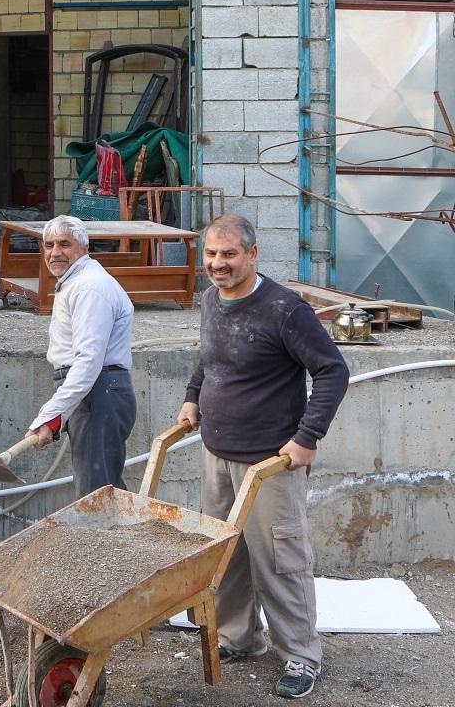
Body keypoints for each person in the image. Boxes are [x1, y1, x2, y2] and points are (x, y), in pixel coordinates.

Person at [177, 214, 348, 700]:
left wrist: (308, 435)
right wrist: (193, 396)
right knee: (224, 556)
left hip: (271, 462)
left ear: (252, 254)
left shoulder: (285, 310)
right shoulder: (211, 299)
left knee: (280, 558)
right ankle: (238, 637)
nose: (218, 264)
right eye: (211, 254)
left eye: (229, 254)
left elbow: (332, 371)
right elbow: (208, 359)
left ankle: (300, 654)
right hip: (217, 452)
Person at [28, 215, 137, 497]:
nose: (55, 253)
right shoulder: (76, 282)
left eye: (65, 244)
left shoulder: (90, 287)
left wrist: (52, 412)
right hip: (92, 392)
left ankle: (108, 541)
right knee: (96, 489)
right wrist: (58, 414)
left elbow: (88, 361)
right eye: (49, 245)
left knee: (96, 494)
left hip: (99, 392)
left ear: (84, 248)